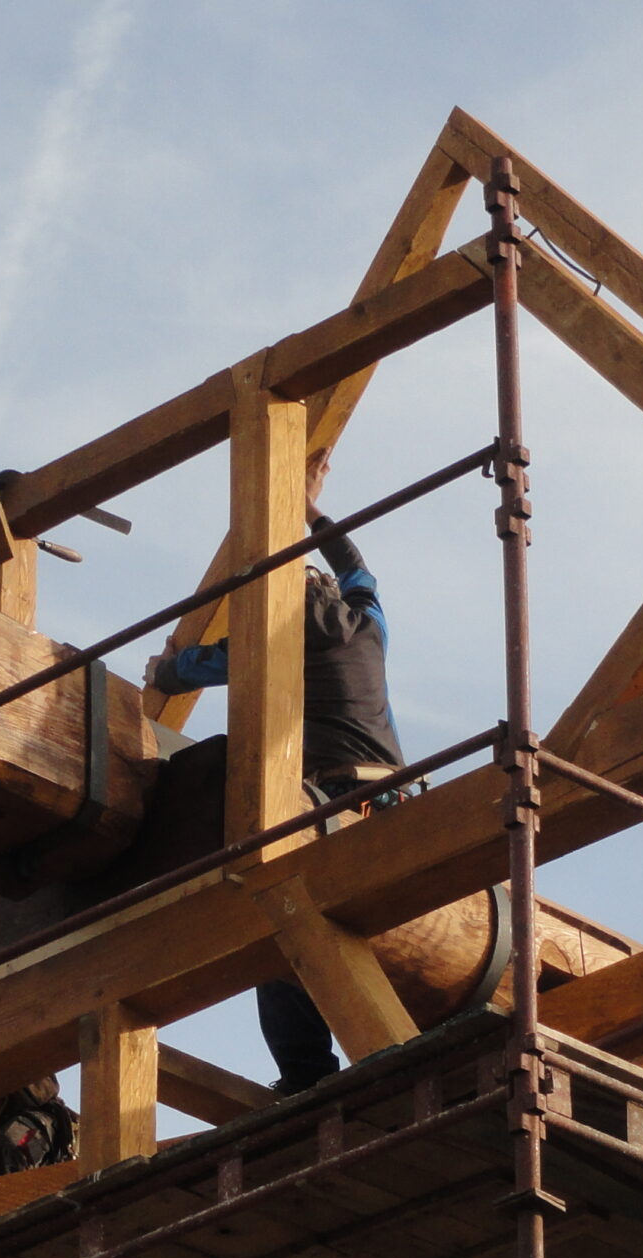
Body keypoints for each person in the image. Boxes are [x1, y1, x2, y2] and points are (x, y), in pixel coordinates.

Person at [149, 447, 404, 1093]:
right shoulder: (368, 627)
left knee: (279, 914)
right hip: (393, 799)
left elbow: (209, 664)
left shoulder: (286, 635)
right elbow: (358, 567)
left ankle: (305, 1073)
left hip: (338, 798)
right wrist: (313, 512)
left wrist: (165, 670)